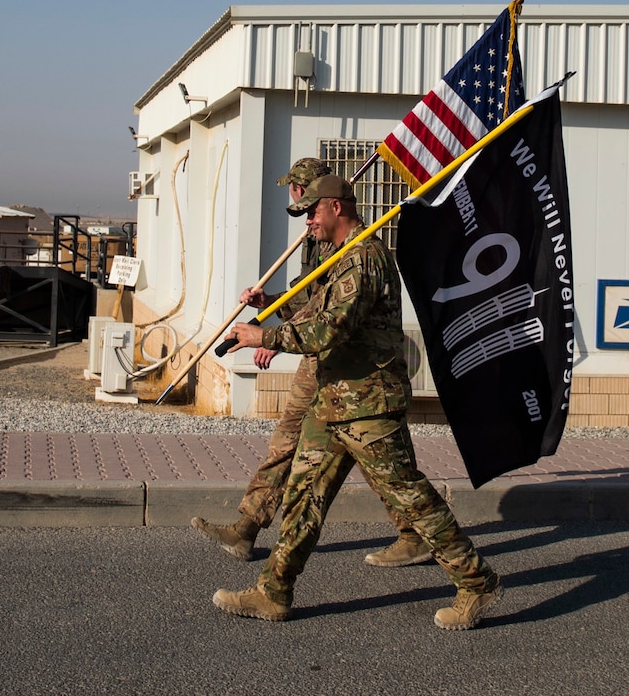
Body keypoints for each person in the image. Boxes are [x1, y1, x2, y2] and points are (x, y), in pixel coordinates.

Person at [212, 173, 500, 630]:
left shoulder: (365, 258)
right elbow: (316, 313)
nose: (308, 220)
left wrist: (261, 336)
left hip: (368, 404)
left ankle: (476, 582)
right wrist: (273, 310)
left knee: (411, 498)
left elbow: (330, 328)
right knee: (304, 497)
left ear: (336, 208)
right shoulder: (339, 256)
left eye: (312, 211)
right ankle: (274, 591)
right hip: (333, 400)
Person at [192, 157, 429, 569]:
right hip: (326, 356)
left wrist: (273, 339)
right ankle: (250, 530)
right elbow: (312, 297)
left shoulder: (358, 249)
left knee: (379, 461)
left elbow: (334, 316)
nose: (300, 211)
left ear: (322, 196)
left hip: (352, 364)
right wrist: (272, 307)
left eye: (303, 199)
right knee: (309, 446)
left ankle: (427, 539)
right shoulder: (318, 238)